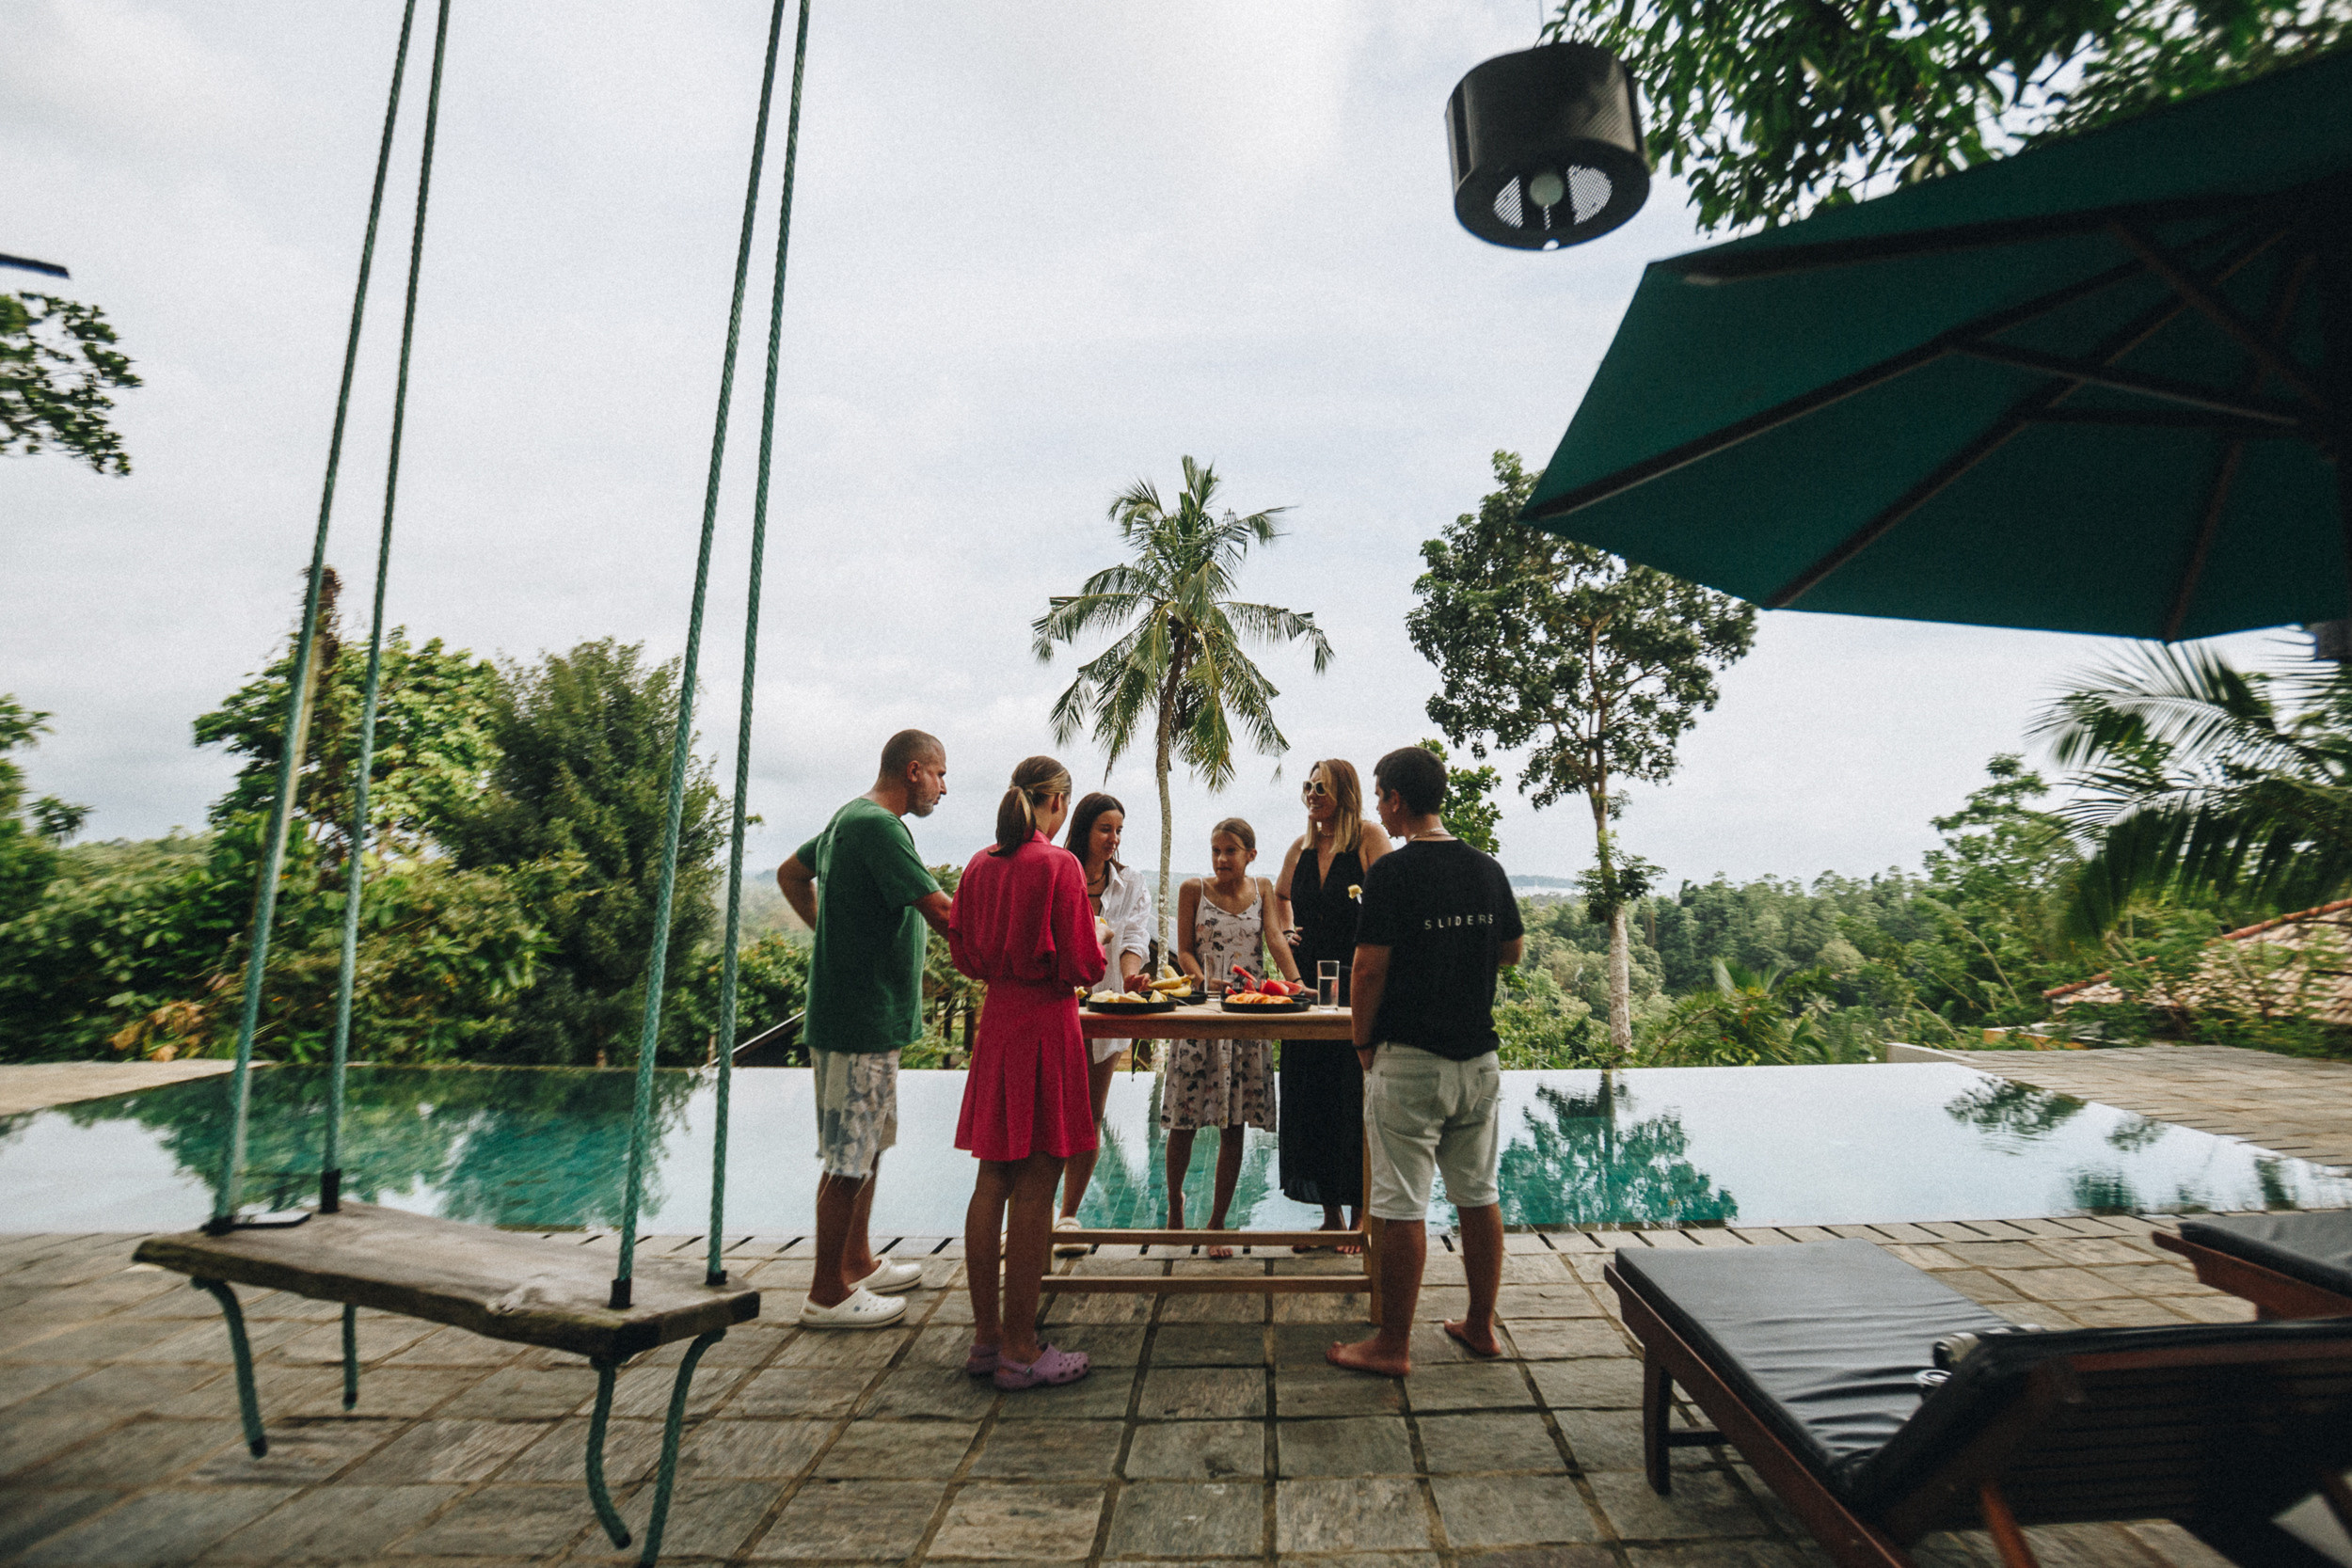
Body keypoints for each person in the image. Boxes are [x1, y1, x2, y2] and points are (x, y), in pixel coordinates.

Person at [1327, 745, 1521, 1379]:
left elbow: (1368, 966)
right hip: (1479, 1059)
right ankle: (1481, 1325)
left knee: (1400, 1202)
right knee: (1478, 1194)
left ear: (1396, 800)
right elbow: (1512, 949)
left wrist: (1362, 1042)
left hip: (1410, 1058)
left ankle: (1392, 1343)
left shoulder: (1394, 873)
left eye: (1382, 792)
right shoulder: (1487, 869)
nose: (1380, 803)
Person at [775, 730, 955, 1329]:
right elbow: (944, 913)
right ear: (913, 771)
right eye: (939, 775)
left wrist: (831, 933)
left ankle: (857, 1260)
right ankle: (826, 1292)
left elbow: (789, 874)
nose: (943, 787)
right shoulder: (878, 826)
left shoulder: (847, 819)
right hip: (859, 1017)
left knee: (868, 1145)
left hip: (867, 1015)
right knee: (848, 1155)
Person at [949, 755, 1103, 1390]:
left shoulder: (980, 865)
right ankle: (1022, 1347)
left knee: (992, 1179)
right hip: (1044, 1022)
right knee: (1038, 1183)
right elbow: (1085, 963)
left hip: (998, 1023)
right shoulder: (1059, 866)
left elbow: (962, 949)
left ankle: (987, 1340)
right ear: (1059, 803)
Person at [1272, 758, 1392, 1249]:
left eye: (1320, 786)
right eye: (1307, 786)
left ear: (1343, 790)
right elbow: (1278, 898)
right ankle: (1330, 1219)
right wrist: (1286, 935)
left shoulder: (1367, 837)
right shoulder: (1300, 847)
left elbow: (1391, 900)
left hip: (1359, 984)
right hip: (1307, 993)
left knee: (1354, 1099)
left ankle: (1362, 1216)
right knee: (1311, 1099)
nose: (1311, 793)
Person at [1167, 818, 1296, 1258]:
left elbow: (1275, 940)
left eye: (1230, 851)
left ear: (1250, 855)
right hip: (1202, 1015)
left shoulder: (1262, 889)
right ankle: (1173, 1207)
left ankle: (1218, 1222)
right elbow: (1183, 948)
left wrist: (1294, 983)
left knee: (1234, 1122)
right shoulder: (1192, 891)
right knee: (1184, 1120)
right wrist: (1203, 980)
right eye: (1215, 850)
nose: (1221, 859)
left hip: (1248, 1014)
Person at [1053, 792, 1153, 1255]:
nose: (1113, 839)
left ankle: (1068, 1217)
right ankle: (1032, 1216)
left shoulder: (1130, 883)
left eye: (1118, 830)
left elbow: (1133, 935)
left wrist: (1132, 978)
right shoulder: (1056, 870)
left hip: (1106, 1010)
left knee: (1091, 1114)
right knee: (1049, 1117)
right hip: (1055, 1010)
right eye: (1104, 829)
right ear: (1083, 829)